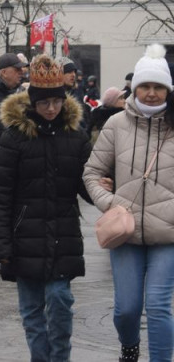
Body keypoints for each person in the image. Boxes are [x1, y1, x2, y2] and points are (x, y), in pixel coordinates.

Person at [0, 55, 91, 362]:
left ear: (64, 100)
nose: (50, 109)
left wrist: (105, 189)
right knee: (32, 310)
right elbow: (1, 194)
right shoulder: (14, 137)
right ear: (33, 102)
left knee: (60, 299)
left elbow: (86, 184)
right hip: (24, 236)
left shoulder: (76, 136)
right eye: (44, 103)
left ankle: (60, 357)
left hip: (62, 233)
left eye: (56, 102)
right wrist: (0, 242)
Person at [84, 45, 174, 362]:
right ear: (134, 88)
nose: (151, 93)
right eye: (144, 86)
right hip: (126, 230)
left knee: (159, 304)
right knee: (127, 307)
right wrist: (110, 203)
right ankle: (129, 346)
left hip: (169, 232)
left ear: (167, 89)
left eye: (158, 86)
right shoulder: (116, 124)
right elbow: (92, 173)